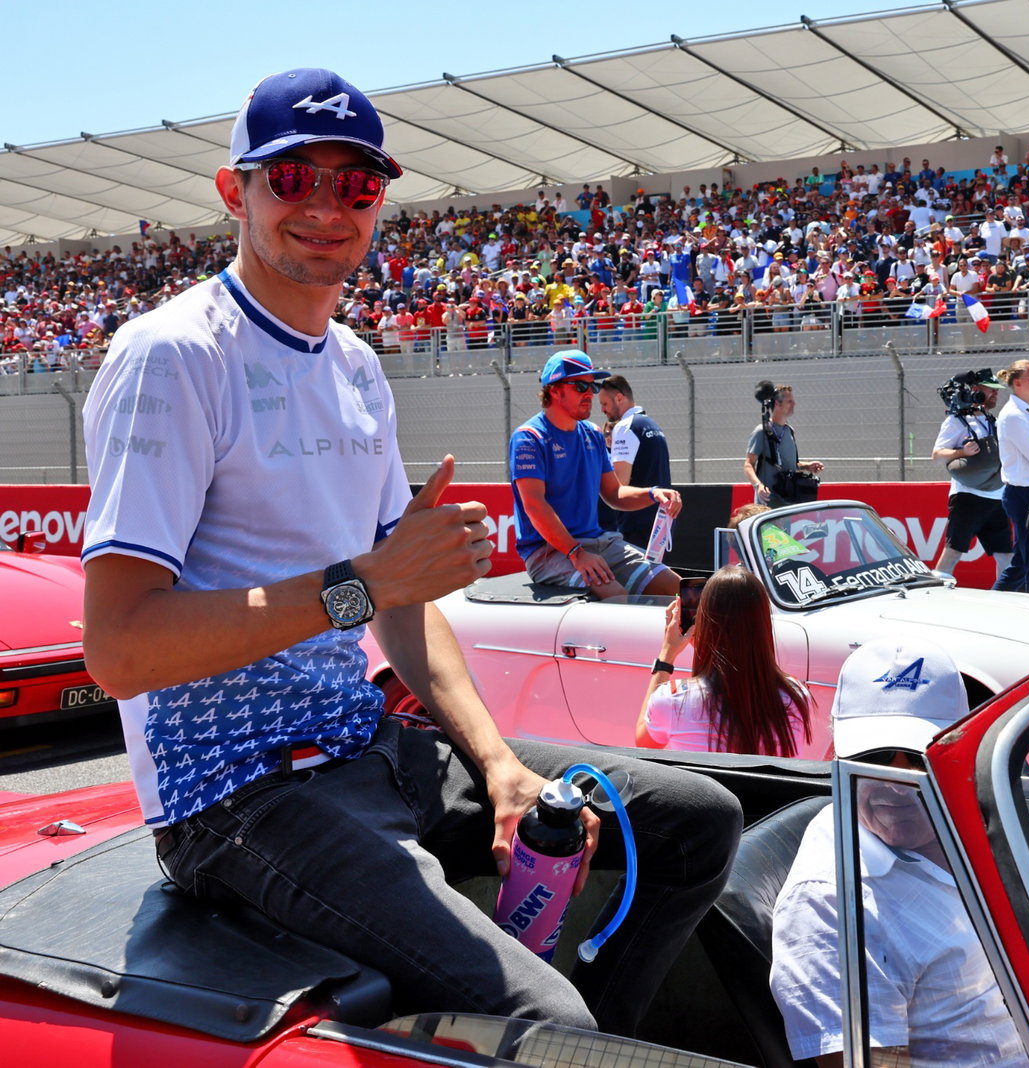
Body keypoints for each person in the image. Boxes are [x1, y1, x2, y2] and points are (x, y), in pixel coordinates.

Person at [78, 67, 739, 1037]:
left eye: (356, 184)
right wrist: (364, 584)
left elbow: (402, 603)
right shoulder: (172, 356)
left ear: (380, 200)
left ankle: (597, 1049)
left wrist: (497, 760)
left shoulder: (353, 364)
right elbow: (122, 651)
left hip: (367, 750)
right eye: (291, 178)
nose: (326, 206)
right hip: (235, 796)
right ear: (235, 193)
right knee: (542, 1020)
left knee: (700, 822)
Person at [769, 638, 1028, 1067]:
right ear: (835, 754)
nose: (895, 780)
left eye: (918, 756)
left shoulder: (973, 823)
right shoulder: (834, 905)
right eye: (872, 758)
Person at [511, 349, 683, 598]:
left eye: (592, 387)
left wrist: (654, 493)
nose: (589, 395)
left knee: (680, 591)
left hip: (601, 543)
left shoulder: (591, 433)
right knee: (617, 598)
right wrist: (576, 554)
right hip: (549, 551)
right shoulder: (529, 437)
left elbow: (614, 493)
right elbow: (534, 506)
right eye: (580, 386)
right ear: (554, 390)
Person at [636, 565, 812, 756]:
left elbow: (645, 744)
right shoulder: (796, 695)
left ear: (703, 622)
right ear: (763, 623)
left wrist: (667, 654)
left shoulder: (672, 700)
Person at [930, 369, 1013, 581]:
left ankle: (1006, 599)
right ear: (975, 390)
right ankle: (936, 596)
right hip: (968, 498)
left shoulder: (994, 421)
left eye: (997, 390)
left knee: (1005, 555)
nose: (996, 394)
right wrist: (961, 452)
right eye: (990, 389)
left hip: (997, 497)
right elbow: (937, 455)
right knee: (954, 552)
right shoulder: (956, 421)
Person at [596, 375, 672, 550]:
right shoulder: (651, 424)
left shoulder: (625, 427)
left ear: (619, 398)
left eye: (604, 404)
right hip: (659, 519)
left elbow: (618, 484)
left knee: (635, 577)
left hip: (636, 522)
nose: (602, 410)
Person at [992, 359, 1029, 593]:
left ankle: (994, 604)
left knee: (1024, 561)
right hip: (1022, 493)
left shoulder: (1025, 412)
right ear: (1017, 383)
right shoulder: (1014, 415)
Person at [744, 381, 824, 507]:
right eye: (789, 401)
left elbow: (788, 464)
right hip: (768, 501)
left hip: (788, 500)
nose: (794, 404)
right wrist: (758, 486)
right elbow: (748, 464)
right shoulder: (762, 431)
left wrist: (807, 466)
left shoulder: (789, 431)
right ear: (777, 403)